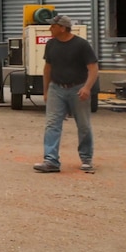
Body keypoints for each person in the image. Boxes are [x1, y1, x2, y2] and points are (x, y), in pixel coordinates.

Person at [34, 14, 99, 174]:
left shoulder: (81, 45)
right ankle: (51, 160)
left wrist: (87, 87)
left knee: (83, 125)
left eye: (53, 26)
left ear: (62, 28)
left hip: (77, 89)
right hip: (56, 88)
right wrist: (46, 90)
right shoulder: (51, 44)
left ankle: (86, 159)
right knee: (52, 124)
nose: (50, 29)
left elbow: (93, 68)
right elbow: (47, 68)